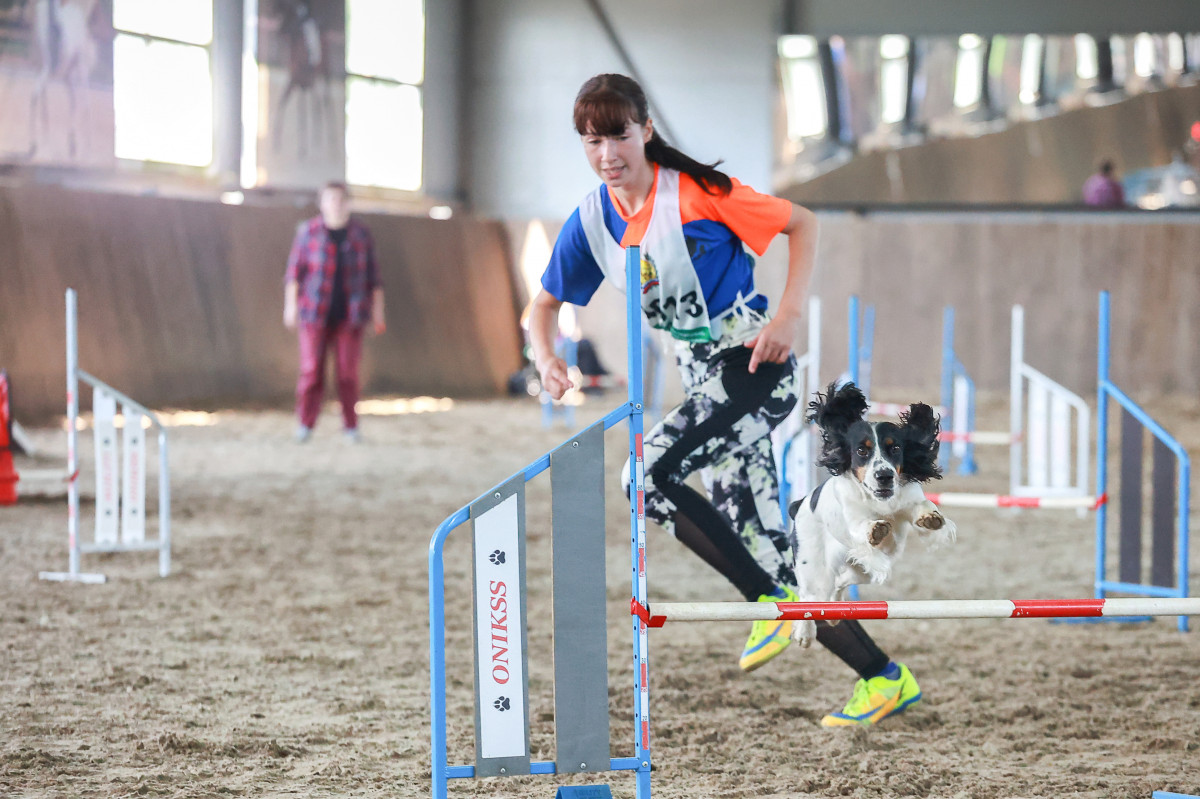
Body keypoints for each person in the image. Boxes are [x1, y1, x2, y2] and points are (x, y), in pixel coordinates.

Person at [528, 73, 920, 727]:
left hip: (754, 368)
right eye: (592, 141)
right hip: (705, 384)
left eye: (617, 135)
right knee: (770, 552)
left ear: (645, 131)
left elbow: (803, 222)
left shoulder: (698, 195)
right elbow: (540, 308)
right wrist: (546, 360)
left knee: (645, 474)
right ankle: (883, 676)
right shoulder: (591, 220)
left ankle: (764, 600)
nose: (606, 154)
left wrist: (789, 313)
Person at [283, 181, 385, 443]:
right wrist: (291, 306)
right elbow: (294, 274)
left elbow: (374, 278)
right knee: (311, 371)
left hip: (351, 316)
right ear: (322, 203)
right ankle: (305, 424)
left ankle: (351, 426)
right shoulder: (308, 232)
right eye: (330, 199)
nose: (336, 204)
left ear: (347, 202)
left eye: (340, 199)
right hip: (314, 313)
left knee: (348, 374)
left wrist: (378, 312)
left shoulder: (361, 235)